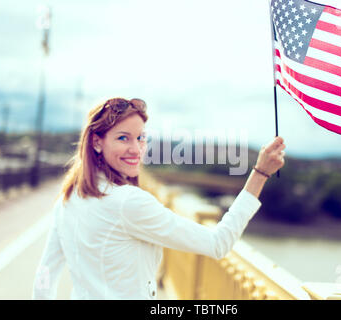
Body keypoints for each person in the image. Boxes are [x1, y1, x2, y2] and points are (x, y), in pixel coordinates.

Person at [32, 97, 286, 300]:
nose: (136, 149)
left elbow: (44, 275)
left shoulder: (67, 199)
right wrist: (260, 173)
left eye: (141, 138)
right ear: (97, 143)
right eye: (123, 138)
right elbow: (218, 243)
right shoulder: (129, 203)